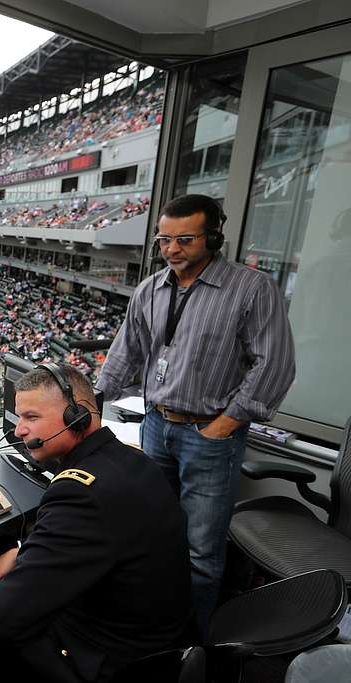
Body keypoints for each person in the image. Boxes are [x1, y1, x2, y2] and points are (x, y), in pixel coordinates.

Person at [96, 194, 295, 632]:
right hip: (154, 425)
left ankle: (191, 646)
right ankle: (153, 630)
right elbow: (125, 352)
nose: (172, 249)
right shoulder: (150, 288)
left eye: (184, 239)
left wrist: (224, 425)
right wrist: (92, 403)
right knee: (151, 535)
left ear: (214, 237)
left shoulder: (251, 288)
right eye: (164, 240)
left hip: (208, 434)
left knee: (200, 553)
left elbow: (274, 364)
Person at [0, 364, 190, 682]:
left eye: (32, 417)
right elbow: (94, 544)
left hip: (107, 661)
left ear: (77, 416)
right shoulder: (134, 460)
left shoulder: (79, 494)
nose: (18, 430)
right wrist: (22, 550)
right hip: (153, 643)